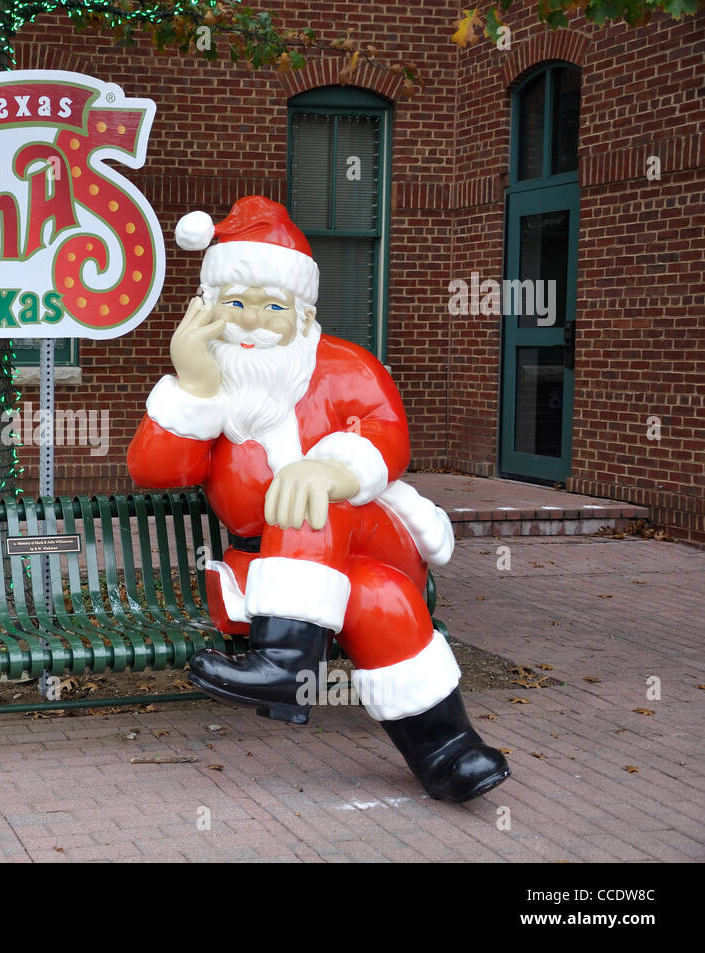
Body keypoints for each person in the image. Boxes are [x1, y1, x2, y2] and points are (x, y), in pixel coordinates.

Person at [126, 196, 509, 802]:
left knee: (312, 496)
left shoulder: (345, 366)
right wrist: (194, 384)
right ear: (207, 307)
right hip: (269, 563)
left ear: (302, 312)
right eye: (236, 303)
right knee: (377, 599)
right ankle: (449, 752)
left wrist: (332, 470)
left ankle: (286, 663)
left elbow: (388, 437)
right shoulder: (211, 377)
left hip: (371, 532)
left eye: (273, 305)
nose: (253, 320)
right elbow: (155, 472)